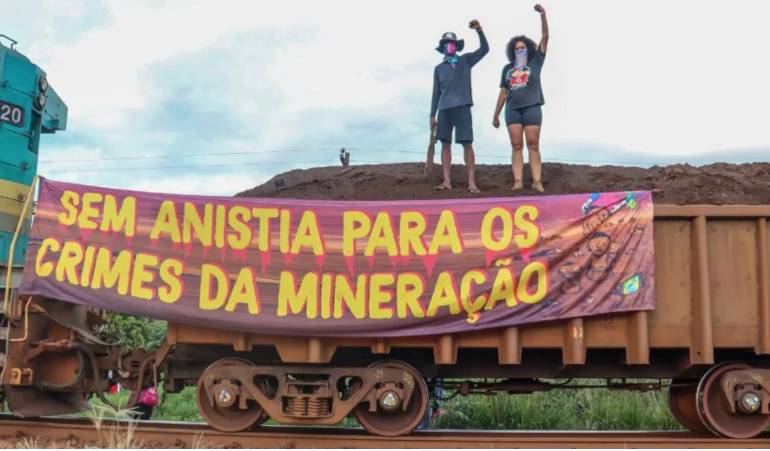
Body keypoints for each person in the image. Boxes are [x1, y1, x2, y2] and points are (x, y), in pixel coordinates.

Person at [492, 4, 549, 193]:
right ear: (512, 51)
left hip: (532, 108)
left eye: (523, 47)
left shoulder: (536, 62)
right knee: (516, 145)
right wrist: (496, 115)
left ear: (528, 49)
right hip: (513, 110)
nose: (520, 51)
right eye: (517, 49)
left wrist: (543, 15)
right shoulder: (506, 69)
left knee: (533, 144)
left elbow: (545, 38)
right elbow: (503, 92)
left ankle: (537, 181)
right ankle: (518, 181)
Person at [429, 20, 489, 194]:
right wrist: (432, 115)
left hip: (462, 107)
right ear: (442, 48)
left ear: (456, 46)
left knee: (467, 144)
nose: (450, 46)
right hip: (444, 109)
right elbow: (435, 94)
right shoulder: (438, 68)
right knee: (445, 145)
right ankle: (446, 181)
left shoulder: (466, 61)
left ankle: (472, 183)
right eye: (446, 44)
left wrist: (479, 30)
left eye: (452, 44)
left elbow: (485, 50)